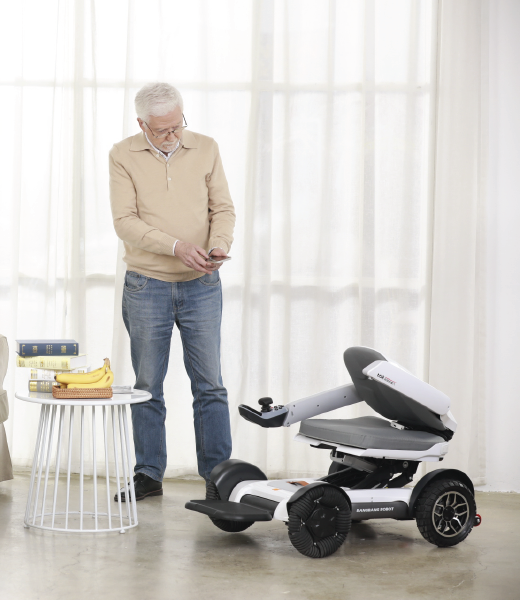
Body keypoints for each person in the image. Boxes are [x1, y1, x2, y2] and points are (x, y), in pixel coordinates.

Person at [109, 82, 235, 501]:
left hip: (202, 284)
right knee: (147, 384)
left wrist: (219, 244)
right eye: (162, 130)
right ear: (141, 124)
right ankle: (148, 473)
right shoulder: (122, 155)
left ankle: (219, 476)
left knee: (210, 385)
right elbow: (125, 221)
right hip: (147, 284)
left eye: (177, 125)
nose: (172, 135)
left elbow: (223, 208)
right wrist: (176, 247)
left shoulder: (206, 147)